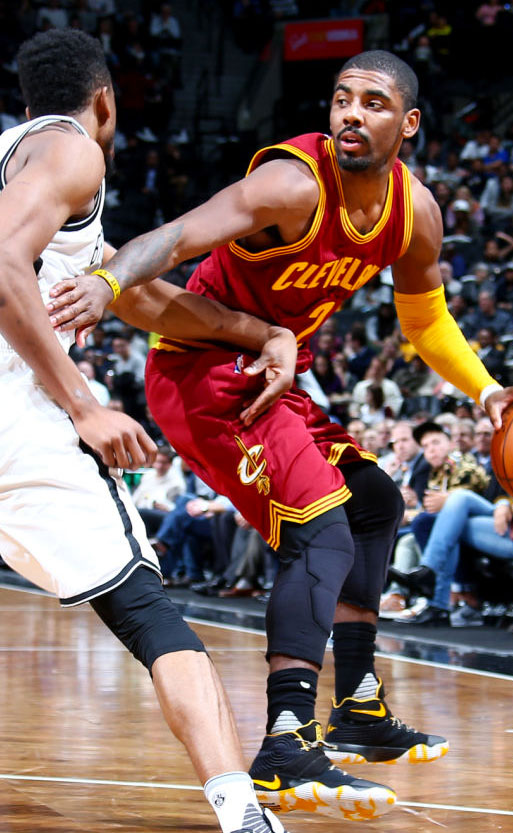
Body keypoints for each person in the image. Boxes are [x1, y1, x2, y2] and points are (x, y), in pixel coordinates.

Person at [47, 49, 513, 818]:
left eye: (373, 103)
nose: (351, 114)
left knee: (375, 503)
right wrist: (108, 280)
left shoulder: (413, 211)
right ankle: (287, 742)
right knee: (321, 528)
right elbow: (185, 233)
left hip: (271, 373)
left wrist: (488, 391)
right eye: (341, 99)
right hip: (201, 373)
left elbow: (423, 319)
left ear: (410, 122)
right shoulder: (292, 182)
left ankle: (357, 702)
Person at [0, 29, 297, 833]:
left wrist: (253, 331)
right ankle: (241, 811)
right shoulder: (71, 151)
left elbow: (144, 299)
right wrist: (84, 404)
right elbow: (2, 263)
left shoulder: (21, 159)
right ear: (104, 102)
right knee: (146, 610)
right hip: (16, 415)